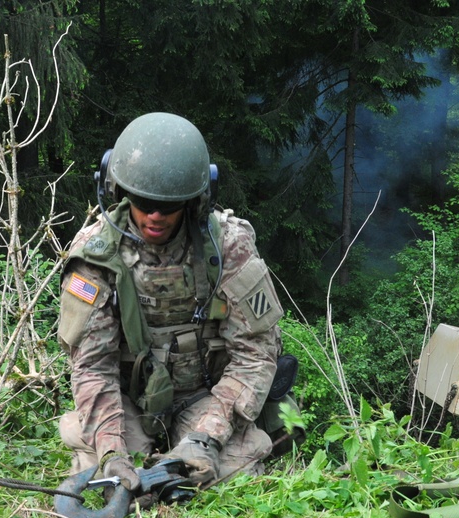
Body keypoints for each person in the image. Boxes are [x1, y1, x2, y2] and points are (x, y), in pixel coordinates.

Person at [57, 112, 294, 494]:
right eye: (144, 201)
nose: (155, 216)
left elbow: (256, 353)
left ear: (194, 200)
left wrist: (207, 437)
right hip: (129, 401)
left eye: (168, 205)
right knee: (110, 484)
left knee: (227, 478)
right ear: (120, 192)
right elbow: (92, 367)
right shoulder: (96, 255)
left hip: (206, 396)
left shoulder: (226, 246)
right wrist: (112, 451)